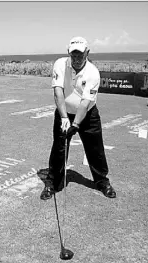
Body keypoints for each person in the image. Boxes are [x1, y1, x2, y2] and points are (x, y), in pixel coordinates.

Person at [40, 36, 116, 200]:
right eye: (73, 55)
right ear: (68, 52)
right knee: (59, 148)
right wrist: (64, 117)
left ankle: (102, 181)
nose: (76, 58)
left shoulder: (93, 72)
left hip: (88, 115)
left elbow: (85, 103)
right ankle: (53, 182)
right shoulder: (60, 64)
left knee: (95, 149)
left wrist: (75, 125)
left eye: (80, 55)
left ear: (87, 53)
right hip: (63, 113)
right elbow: (58, 92)